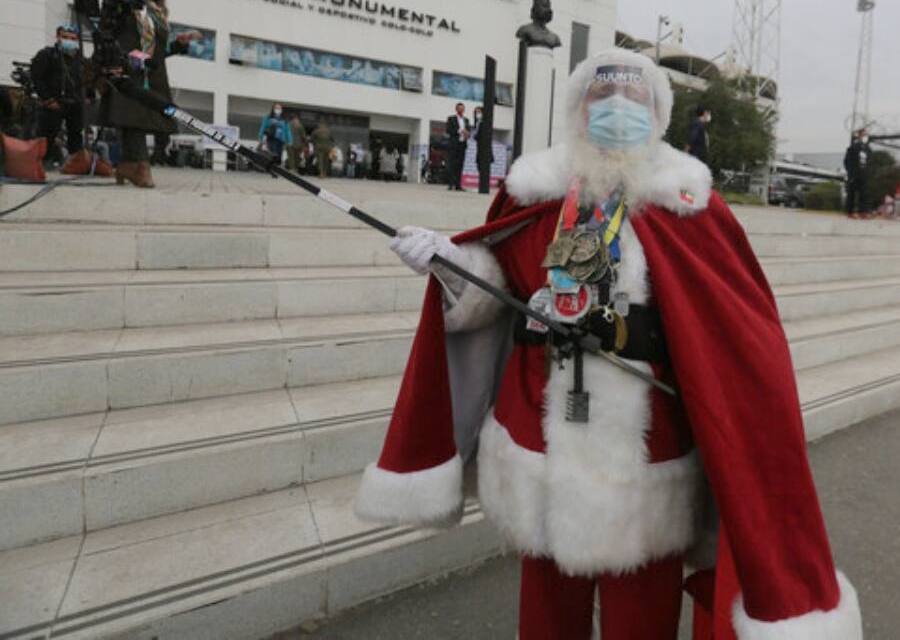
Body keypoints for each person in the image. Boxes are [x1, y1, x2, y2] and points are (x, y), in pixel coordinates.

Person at [354, 48, 861, 640]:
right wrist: (449, 263)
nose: (617, 108)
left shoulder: (687, 204)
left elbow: (735, 334)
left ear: (659, 112)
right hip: (541, 443)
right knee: (546, 621)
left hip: (646, 453)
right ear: (576, 108)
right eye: (600, 96)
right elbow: (494, 286)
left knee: (640, 622)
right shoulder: (534, 193)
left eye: (635, 98)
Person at [98, 0, 201, 188]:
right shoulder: (121, 1)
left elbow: (157, 51)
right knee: (131, 115)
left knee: (143, 118)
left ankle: (127, 165)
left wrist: (178, 44)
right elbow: (106, 31)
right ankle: (139, 166)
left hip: (153, 73)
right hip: (127, 67)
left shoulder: (159, 12)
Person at [31, 24, 87, 165]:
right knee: (47, 135)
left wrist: (88, 97)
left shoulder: (81, 60)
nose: (69, 40)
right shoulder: (47, 54)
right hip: (53, 103)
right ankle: (41, 164)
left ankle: (76, 164)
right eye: (65, 37)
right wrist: (47, 99)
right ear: (58, 37)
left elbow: (87, 80)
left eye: (73, 38)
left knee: (76, 136)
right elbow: (37, 78)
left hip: (74, 103)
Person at [843, 128, 871, 218]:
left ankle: (862, 212)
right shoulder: (853, 148)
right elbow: (847, 161)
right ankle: (850, 212)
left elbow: (870, 161)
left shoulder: (867, 149)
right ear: (859, 136)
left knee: (864, 193)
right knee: (851, 193)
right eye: (863, 135)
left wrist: (868, 172)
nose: (865, 137)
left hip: (864, 174)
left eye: (866, 135)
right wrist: (851, 172)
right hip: (854, 174)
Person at [445, 102, 470, 191]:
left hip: (462, 145)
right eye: (459, 108)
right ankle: (451, 184)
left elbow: (468, 131)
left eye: (462, 108)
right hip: (454, 145)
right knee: (452, 165)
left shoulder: (466, 120)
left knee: (460, 165)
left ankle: (458, 185)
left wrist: (467, 133)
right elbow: (448, 130)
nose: (461, 110)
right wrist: (459, 131)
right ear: (456, 109)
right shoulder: (451, 119)